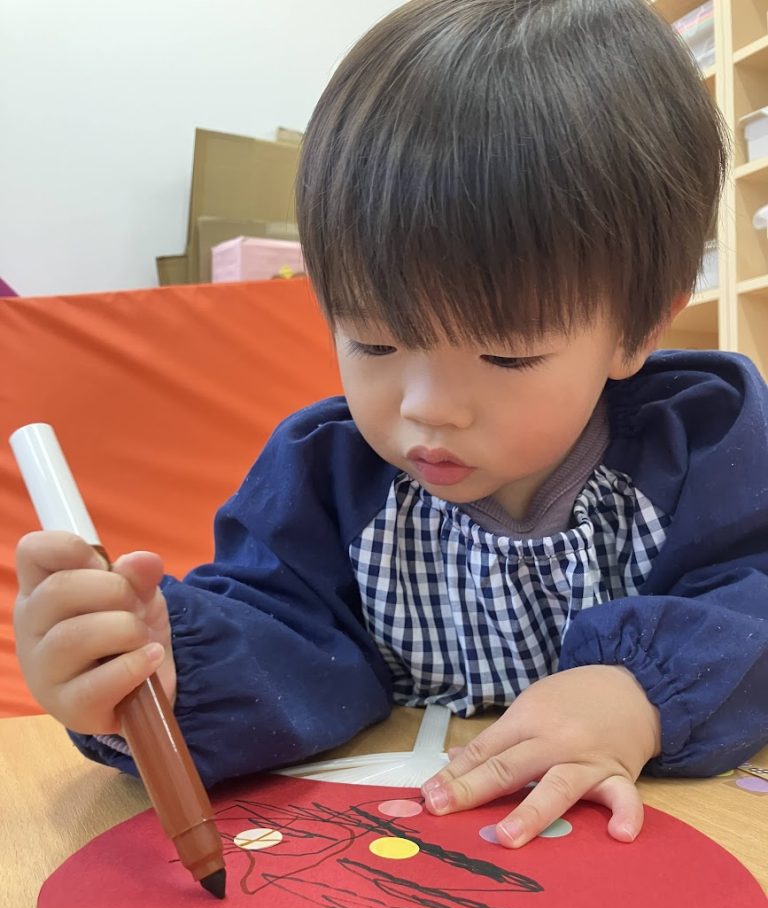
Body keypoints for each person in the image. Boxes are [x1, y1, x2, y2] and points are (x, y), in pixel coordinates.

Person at [14, 0, 768, 849]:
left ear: (638, 331)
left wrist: (643, 693)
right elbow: (283, 630)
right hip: (416, 845)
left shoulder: (704, 445)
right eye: (374, 341)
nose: (426, 407)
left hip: (657, 844)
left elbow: (755, 594)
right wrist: (161, 673)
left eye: (507, 355)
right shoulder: (326, 478)